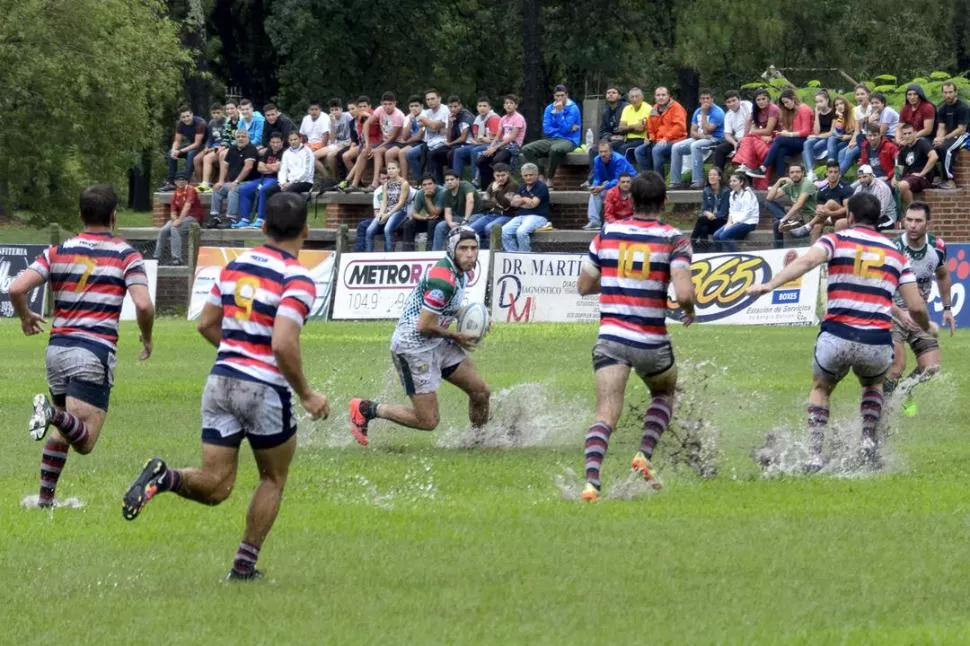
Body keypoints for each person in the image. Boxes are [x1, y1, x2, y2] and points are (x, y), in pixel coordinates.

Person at [121, 192, 329, 581]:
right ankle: (243, 566)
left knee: (216, 486)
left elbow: (204, 323)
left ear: (263, 227)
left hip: (220, 381)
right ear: (306, 231)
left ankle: (165, 478)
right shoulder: (298, 279)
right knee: (273, 478)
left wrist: (237, 351)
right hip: (264, 389)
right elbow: (284, 343)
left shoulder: (237, 266)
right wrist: (307, 393)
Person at [747, 192, 929, 470]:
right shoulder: (896, 253)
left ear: (851, 217)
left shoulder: (835, 240)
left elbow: (806, 262)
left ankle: (815, 455)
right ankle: (868, 442)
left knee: (821, 388)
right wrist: (927, 326)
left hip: (837, 335)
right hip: (877, 341)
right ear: (878, 219)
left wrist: (769, 285)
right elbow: (915, 305)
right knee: (873, 385)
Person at [9, 185, 154, 508]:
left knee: (65, 424)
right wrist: (147, 337)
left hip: (57, 350)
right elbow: (143, 305)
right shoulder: (125, 255)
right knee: (85, 441)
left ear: (81, 214)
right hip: (92, 352)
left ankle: (46, 501)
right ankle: (48, 412)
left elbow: (17, 287)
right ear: (114, 216)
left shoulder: (57, 251)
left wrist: (24, 318)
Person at [576, 171, 696, 501]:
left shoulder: (607, 232)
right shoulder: (674, 238)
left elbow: (584, 286)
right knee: (665, 391)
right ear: (666, 201)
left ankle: (591, 483)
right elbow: (684, 292)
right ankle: (643, 454)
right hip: (650, 341)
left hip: (611, 338)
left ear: (630, 199)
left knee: (605, 413)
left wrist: (619, 283)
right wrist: (690, 310)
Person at [348, 227, 490, 446]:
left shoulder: (460, 272)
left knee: (480, 392)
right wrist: (455, 335)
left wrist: (477, 318)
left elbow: (448, 308)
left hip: (437, 341)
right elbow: (423, 325)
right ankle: (367, 409)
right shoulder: (442, 280)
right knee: (428, 420)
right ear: (452, 249)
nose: (470, 254)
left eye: (473, 248)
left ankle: (478, 443)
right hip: (412, 346)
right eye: (463, 248)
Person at [884, 202, 956, 415]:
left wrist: (947, 308)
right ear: (903, 221)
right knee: (896, 368)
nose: (912, 225)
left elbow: (943, 275)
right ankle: (883, 416)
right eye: (909, 220)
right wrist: (899, 312)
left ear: (928, 223)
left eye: (918, 221)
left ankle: (905, 392)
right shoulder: (894, 249)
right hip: (893, 313)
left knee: (931, 368)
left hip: (919, 314)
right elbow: (881, 288)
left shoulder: (938, 246)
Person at [520, 84, 581, 188]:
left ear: (567, 95)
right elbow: (547, 130)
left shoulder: (573, 108)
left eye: (562, 95)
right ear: (554, 96)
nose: (560, 98)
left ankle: (550, 177)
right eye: (557, 96)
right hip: (552, 139)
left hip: (570, 140)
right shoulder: (549, 108)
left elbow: (566, 131)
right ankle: (540, 174)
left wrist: (560, 112)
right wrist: (562, 129)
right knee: (526, 149)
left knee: (554, 149)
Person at [746, 89, 813, 179]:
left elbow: (806, 131)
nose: (785, 105)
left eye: (786, 102)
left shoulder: (803, 108)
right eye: (783, 103)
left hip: (805, 141)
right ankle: (782, 180)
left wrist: (788, 134)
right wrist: (784, 133)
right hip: (796, 141)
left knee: (779, 139)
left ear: (793, 99)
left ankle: (763, 168)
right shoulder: (792, 112)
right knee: (780, 150)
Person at [669, 88, 725, 189]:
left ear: (712, 100)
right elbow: (692, 132)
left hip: (715, 139)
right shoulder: (697, 111)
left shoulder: (718, 112)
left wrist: (703, 113)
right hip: (702, 138)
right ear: (699, 100)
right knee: (676, 147)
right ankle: (675, 181)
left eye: (708, 98)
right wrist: (702, 136)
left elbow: (708, 130)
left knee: (695, 146)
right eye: (703, 98)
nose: (705, 101)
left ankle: (698, 180)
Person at [788, 160, 853, 241]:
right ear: (826, 173)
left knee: (831, 203)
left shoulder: (846, 188)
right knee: (816, 226)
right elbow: (820, 210)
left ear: (839, 174)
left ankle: (807, 226)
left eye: (835, 172)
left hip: (846, 218)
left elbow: (848, 210)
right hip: (830, 218)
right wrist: (824, 214)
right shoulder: (822, 191)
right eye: (830, 172)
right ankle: (813, 251)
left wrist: (830, 213)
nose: (833, 175)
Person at [209, 129, 259, 228]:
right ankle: (215, 217)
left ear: (248, 138)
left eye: (243, 136)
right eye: (238, 136)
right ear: (235, 138)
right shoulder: (232, 149)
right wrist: (221, 181)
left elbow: (248, 167)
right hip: (234, 182)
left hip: (249, 182)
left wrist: (236, 181)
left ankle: (231, 219)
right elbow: (225, 165)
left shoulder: (251, 149)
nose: (240, 138)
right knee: (217, 189)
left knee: (233, 189)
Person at [234, 132, 284, 229]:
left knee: (263, 190)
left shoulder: (285, 153)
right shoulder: (268, 152)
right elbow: (259, 168)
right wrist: (271, 167)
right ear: (270, 142)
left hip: (277, 179)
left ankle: (261, 219)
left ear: (282, 142)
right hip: (263, 178)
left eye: (277, 142)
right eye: (273, 142)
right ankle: (245, 219)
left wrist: (268, 167)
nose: (275, 144)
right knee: (244, 189)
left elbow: (277, 168)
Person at [584, 141, 637, 230]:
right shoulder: (597, 160)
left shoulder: (619, 159)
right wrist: (594, 186)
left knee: (607, 189)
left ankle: (614, 221)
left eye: (606, 151)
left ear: (611, 151)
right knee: (595, 193)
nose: (603, 154)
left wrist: (603, 187)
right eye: (601, 152)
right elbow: (597, 178)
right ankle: (594, 221)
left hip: (628, 182)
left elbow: (618, 179)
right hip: (611, 182)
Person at [477, 94, 527, 187]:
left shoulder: (518, 118)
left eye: (511, 103)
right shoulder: (503, 118)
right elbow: (497, 136)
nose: (508, 105)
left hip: (513, 146)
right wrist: (491, 147)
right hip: (502, 145)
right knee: (481, 160)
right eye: (506, 103)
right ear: (504, 105)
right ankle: (487, 187)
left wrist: (495, 148)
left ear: (516, 106)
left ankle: (499, 185)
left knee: (497, 160)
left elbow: (512, 138)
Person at [155, 171, 203, 265]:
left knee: (174, 228)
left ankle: (176, 258)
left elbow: (187, 206)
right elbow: (173, 211)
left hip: (193, 218)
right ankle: (157, 257)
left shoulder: (190, 189)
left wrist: (179, 220)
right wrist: (175, 219)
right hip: (181, 218)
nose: (181, 181)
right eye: (178, 180)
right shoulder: (176, 193)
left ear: (187, 181)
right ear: (175, 182)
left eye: (183, 180)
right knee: (163, 230)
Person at [765, 162, 817, 249]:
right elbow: (769, 198)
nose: (795, 174)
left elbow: (799, 205)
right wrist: (779, 181)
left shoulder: (807, 184)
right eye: (792, 172)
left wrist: (783, 220)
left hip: (809, 216)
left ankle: (778, 249)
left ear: (802, 173)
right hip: (796, 216)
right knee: (768, 203)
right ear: (789, 174)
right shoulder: (789, 185)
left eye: (797, 172)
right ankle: (778, 251)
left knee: (777, 223)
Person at [467, 163, 519, 249]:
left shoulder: (513, 185)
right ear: (494, 175)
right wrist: (496, 205)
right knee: (471, 229)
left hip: (508, 215)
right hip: (492, 214)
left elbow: (505, 204)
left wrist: (496, 192)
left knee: (489, 228)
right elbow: (483, 204)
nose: (500, 178)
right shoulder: (491, 185)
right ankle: (484, 250)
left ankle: (496, 251)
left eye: (503, 175)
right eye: (497, 176)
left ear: (508, 174)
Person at [501, 163, 551, 252]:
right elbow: (513, 203)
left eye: (531, 175)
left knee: (521, 232)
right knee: (504, 231)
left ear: (537, 174)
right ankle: (513, 256)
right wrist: (526, 200)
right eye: (525, 175)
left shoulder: (541, 186)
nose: (528, 178)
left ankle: (524, 256)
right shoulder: (522, 187)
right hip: (520, 216)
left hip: (538, 216)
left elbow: (533, 204)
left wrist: (522, 199)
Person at [363, 162, 411, 252]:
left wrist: (388, 214)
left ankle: (389, 256)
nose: (391, 171)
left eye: (393, 168)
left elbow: (401, 203)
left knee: (387, 229)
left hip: (400, 211)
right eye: (389, 169)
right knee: (369, 230)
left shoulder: (404, 183)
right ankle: (368, 256)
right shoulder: (386, 185)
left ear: (398, 170)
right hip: (387, 210)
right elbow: (384, 202)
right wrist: (381, 213)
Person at [932, 81, 970, 190]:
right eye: (945, 92)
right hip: (950, 135)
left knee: (946, 149)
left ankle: (949, 179)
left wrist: (944, 138)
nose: (948, 95)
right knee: (932, 147)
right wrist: (938, 138)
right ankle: (936, 176)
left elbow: (961, 129)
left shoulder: (963, 107)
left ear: (956, 92)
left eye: (950, 92)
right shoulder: (943, 108)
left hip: (964, 135)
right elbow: (941, 127)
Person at [161, 105, 207, 191]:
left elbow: (197, 144)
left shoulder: (200, 123)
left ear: (192, 114)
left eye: (187, 116)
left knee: (190, 154)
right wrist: (174, 150)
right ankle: (171, 182)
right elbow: (177, 141)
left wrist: (181, 151)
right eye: (183, 117)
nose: (186, 119)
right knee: (170, 153)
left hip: (203, 146)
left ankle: (186, 182)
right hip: (191, 145)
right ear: (180, 117)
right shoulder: (180, 124)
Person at [893, 122, 938, 207]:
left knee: (902, 185)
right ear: (901, 136)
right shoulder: (903, 150)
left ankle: (912, 209)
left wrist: (922, 173)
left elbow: (934, 157)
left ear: (915, 133)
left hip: (923, 178)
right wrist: (895, 178)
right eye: (904, 134)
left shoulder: (922, 143)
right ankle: (910, 209)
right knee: (896, 186)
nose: (907, 136)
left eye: (909, 133)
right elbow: (899, 169)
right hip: (910, 177)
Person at [433, 169, 480, 251]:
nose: (449, 182)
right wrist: (450, 223)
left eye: (452, 179)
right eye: (447, 180)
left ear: (458, 180)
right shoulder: (446, 193)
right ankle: (436, 253)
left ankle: (464, 252)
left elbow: (470, 200)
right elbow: (447, 212)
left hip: (475, 215)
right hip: (458, 217)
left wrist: (466, 219)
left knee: (466, 227)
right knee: (440, 226)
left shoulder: (465, 185)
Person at [712, 171, 760, 251]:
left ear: (741, 182)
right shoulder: (732, 194)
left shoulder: (747, 194)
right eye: (730, 181)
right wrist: (729, 223)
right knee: (716, 236)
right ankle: (719, 255)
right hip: (735, 222)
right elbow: (732, 211)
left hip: (749, 222)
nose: (731, 183)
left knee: (724, 236)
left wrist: (733, 224)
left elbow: (747, 213)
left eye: (734, 181)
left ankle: (735, 255)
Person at [400, 175, 447, 251]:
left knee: (432, 223)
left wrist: (427, 198)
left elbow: (436, 214)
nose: (427, 187)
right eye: (424, 185)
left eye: (430, 184)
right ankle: (408, 253)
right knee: (408, 224)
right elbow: (414, 213)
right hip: (430, 218)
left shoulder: (442, 192)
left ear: (435, 184)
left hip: (443, 218)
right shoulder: (420, 193)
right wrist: (424, 218)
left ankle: (429, 251)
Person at [690, 168, 731, 252]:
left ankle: (690, 242)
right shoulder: (706, 190)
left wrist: (713, 215)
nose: (712, 177)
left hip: (722, 222)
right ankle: (703, 250)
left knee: (702, 220)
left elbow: (724, 212)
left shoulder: (726, 191)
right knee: (704, 228)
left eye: (714, 175)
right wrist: (707, 213)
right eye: (710, 175)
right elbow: (704, 209)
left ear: (719, 177)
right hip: (708, 221)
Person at [851, 164, 896, 230]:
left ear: (871, 175)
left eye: (864, 177)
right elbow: (853, 202)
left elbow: (882, 211)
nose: (862, 180)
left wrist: (865, 221)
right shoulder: (861, 186)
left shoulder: (881, 188)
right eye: (860, 178)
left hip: (886, 217)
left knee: (870, 228)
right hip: (868, 217)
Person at [193, 102, 226, 187]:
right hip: (212, 147)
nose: (216, 115)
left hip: (221, 147)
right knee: (196, 159)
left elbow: (226, 140)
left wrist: (213, 148)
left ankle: (206, 183)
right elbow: (209, 139)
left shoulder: (227, 122)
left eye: (218, 113)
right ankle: (200, 183)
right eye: (214, 113)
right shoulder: (211, 123)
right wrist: (207, 146)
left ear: (222, 112)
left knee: (206, 158)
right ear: (211, 113)